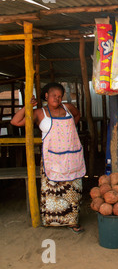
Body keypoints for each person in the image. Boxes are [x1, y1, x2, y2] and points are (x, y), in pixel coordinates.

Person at [11, 82, 86, 233]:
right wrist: (27, 106)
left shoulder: (68, 108)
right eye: (54, 96)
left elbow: (77, 115)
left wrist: (70, 133)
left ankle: (72, 221)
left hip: (71, 157)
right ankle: (52, 221)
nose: (57, 99)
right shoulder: (39, 113)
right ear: (46, 96)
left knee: (73, 190)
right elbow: (15, 121)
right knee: (53, 192)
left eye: (60, 96)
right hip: (52, 158)